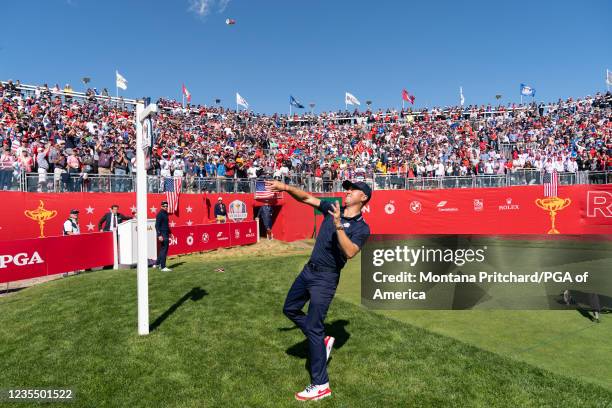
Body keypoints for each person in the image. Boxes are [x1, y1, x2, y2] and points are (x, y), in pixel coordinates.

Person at [266, 179, 371, 402]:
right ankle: (322, 341)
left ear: (363, 198)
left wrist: (338, 226)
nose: (349, 192)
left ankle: (321, 385)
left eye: (354, 190)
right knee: (290, 308)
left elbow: (350, 252)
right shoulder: (334, 208)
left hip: (326, 278)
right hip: (308, 271)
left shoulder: (362, 227)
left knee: (314, 327)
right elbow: (306, 198)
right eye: (348, 189)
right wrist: (285, 188)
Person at [155, 201, 172, 272]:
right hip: (162, 234)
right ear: (161, 206)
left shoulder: (165, 213)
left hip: (166, 233)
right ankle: (163, 266)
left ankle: (158, 264)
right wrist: (159, 235)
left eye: (166, 206)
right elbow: (156, 225)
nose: (165, 207)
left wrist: (170, 233)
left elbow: (166, 225)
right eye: (164, 206)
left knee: (162, 249)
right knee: (164, 250)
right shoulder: (160, 214)